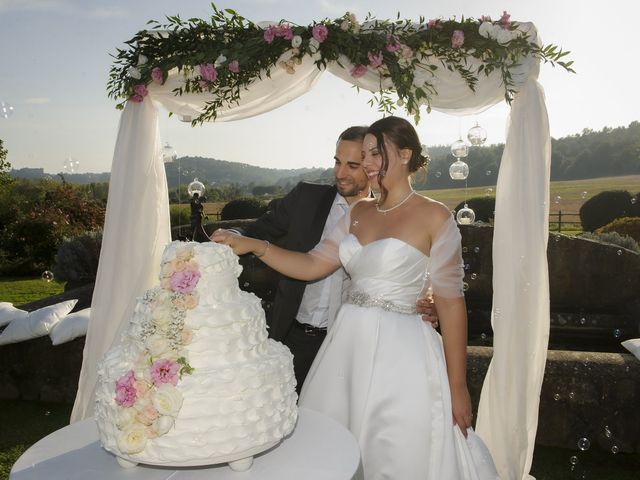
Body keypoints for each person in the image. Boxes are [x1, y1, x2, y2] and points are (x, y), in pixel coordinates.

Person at [212, 116, 496, 478]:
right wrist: (255, 244)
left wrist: (458, 387)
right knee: (330, 447)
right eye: (365, 155)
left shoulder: (435, 216)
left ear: (406, 154)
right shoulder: (359, 212)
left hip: (402, 354)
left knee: (394, 450)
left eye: (376, 154)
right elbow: (313, 263)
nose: (368, 163)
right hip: (345, 347)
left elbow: (452, 304)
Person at [234, 126, 438, 392]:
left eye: (353, 165)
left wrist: (430, 300)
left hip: (350, 344)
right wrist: (235, 236)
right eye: (337, 162)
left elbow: (408, 269)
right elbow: (260, 231)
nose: (340, 173)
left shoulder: (390, 218)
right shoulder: (306, 198)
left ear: (372, 164)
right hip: (292, 336)